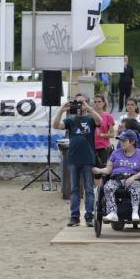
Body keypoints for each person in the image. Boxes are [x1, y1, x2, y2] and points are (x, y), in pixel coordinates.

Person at [53, 93, 102, 227]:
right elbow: (56, 125)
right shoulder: (71, 120)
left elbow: (100, 122)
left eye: (82, 102)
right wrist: (62, 110)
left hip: (88, 158)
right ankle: (75, 217)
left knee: (89, 189)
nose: (79, 105)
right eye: (77, 102)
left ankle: (89, 216)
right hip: (73, 158)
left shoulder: (91, 118)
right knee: (74, 189)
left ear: (86, 103)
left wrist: (90, 108)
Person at [93, 130, 140, 224]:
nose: (121, 143)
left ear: (132, 142)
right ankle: (112, 212)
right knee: (108, 187)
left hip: (132, 178)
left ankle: (135, 212)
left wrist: (133, 177)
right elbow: (108, 169)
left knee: (136, 186)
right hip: (117, 178)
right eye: (120, 140)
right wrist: (99, 170)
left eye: (124, 141)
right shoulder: (116, 153)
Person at [92, 94, 116, 185]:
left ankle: (101, 191)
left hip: (103, 147)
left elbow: (112, 134)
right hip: (91, 146)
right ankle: (95, 190)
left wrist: (102, 135)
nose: (97, 104)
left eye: (99, 102)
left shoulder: (108, 116)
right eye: (95, 102)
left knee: (101, 169)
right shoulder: (91, 115)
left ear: (104, 103)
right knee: (92, 169)